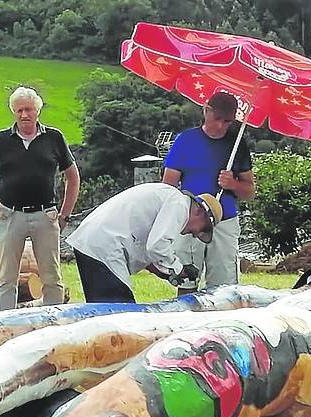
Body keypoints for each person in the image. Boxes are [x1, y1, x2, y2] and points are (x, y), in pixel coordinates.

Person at [0, 86, 79, 310]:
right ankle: (6, 324)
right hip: (10, 214)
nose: (24, 115)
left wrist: (64, 215)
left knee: (52, 277)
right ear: (13, 111)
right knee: (6, 278)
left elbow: (73, 177)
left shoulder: (54, 138)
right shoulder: (0, 140)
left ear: (38, 111)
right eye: (20, 110)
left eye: (29, 109)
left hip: (45, 214)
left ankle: (53, 322)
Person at [162, 91, 255, 293]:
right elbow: (168, 186)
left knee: (224, 287)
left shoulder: (237, 145)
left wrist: (233, 184)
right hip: (190, 219)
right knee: (187, 281)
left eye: (228, 121)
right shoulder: (185, 140)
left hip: (224, 220)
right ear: (206, 111)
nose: (221, 126)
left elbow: (249, 191)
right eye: (217, 119)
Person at [66, 182, 221, 303]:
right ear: (200, 212)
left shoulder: (167, 198)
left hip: (92, 243)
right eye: (204, 228)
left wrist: (165, 273)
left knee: (104, 314)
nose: (196, 234)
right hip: (104, 247)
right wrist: (178, 268)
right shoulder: (179, 204)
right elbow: (157, 247)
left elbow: (147, 250)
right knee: (119, 316)